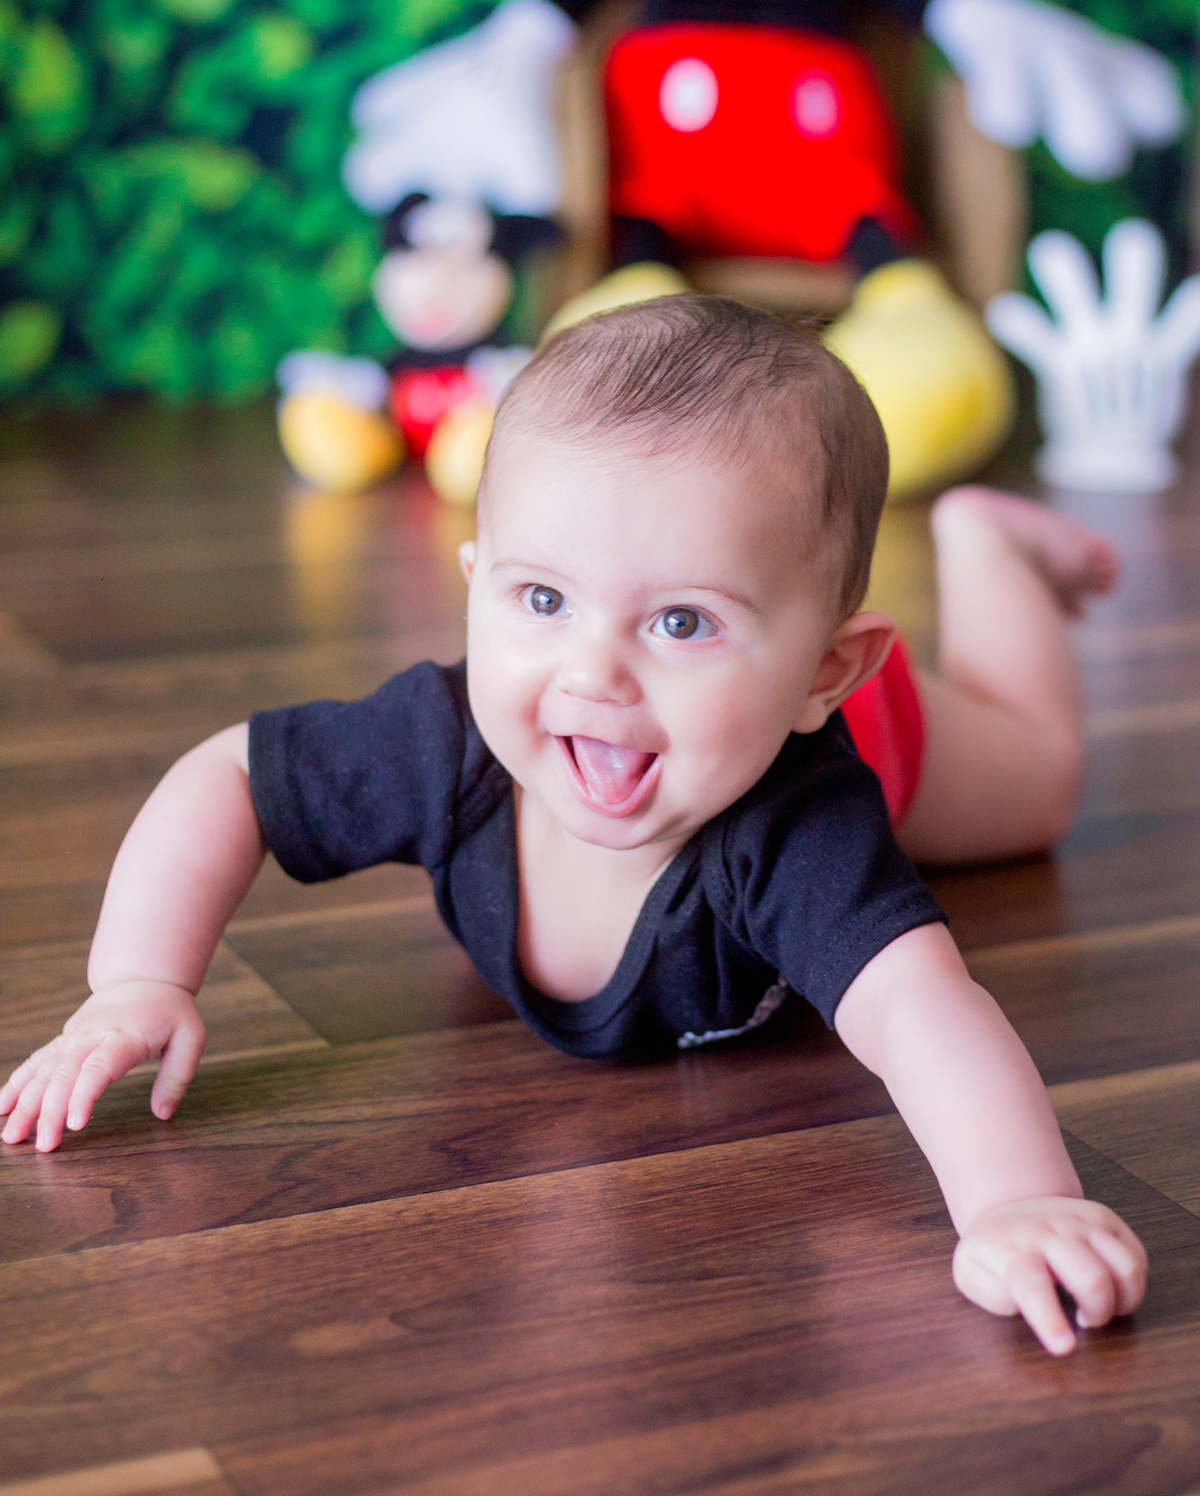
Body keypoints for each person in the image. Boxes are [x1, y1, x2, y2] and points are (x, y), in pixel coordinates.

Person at [0, 294, 1142, 1356]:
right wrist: (138, 981)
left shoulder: (797, 825)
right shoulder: (446, 741)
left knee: (1036, 784)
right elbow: (231, 775)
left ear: (823, 667)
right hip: (741, 714)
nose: (594, 672)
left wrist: (1016, 1200)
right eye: (542, 600)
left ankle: (990, 552)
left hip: (881, 740)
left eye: (684, 620)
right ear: (474, 583)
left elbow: (919, 1007)